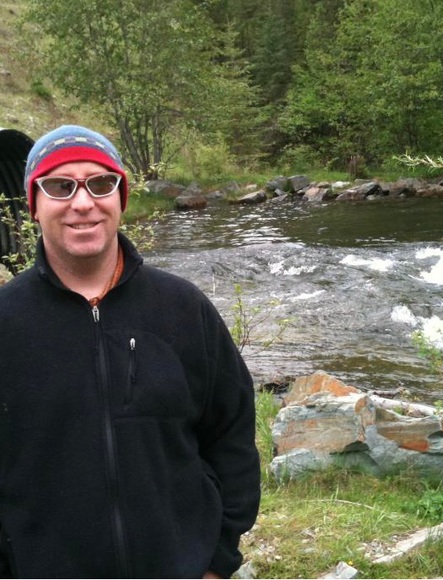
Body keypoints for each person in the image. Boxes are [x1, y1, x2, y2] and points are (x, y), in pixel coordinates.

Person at [0, 125, 261, 578]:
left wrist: (217, 560)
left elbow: (232, 433)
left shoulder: (183, 308)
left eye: (101, 184)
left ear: (121, 198)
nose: (83, 202)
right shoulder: (6, 322)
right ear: (33, 205)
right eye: (60, 187)